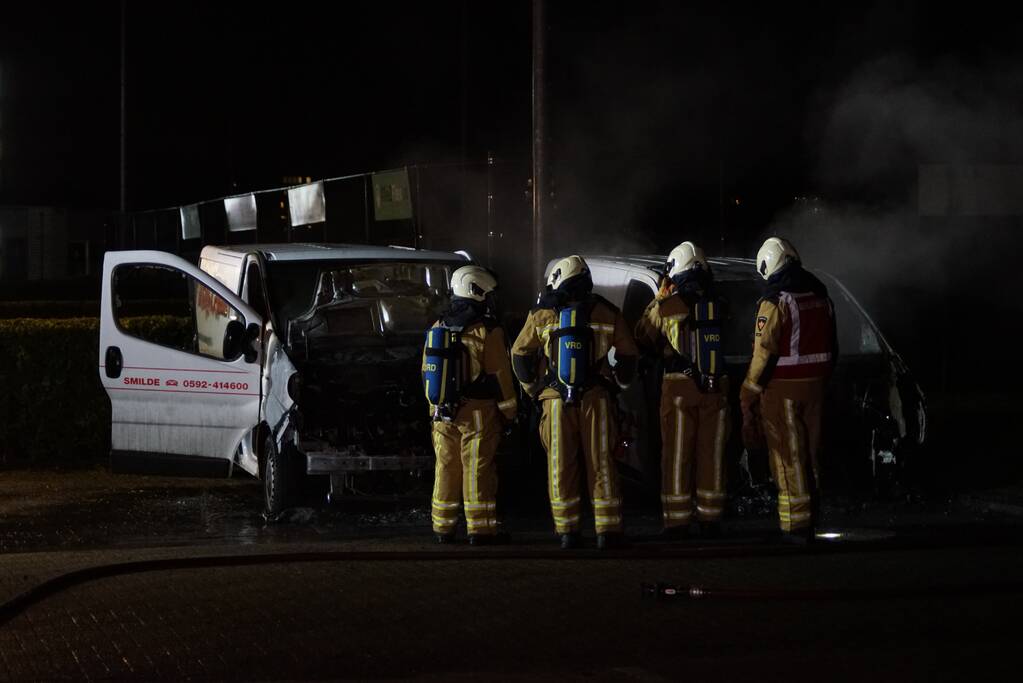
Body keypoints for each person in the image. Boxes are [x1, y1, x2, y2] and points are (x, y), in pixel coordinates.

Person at [510, 255, 639, 549]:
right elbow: (629, 354)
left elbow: (519, 355)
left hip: (555, 402)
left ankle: (567, 530)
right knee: (601, 463)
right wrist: (618, 384)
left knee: (560, 465)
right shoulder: (607, 312)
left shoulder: (542, 315)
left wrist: (533, 390)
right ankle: (608, 530)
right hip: (597, 400)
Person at [739, 237, 838, 544]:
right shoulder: (821, 294)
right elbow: (833, 346)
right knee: (811, 454)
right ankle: (813, 519)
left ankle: (795, 526)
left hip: (782, 390)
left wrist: (748, 391)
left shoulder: (775, 301)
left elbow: (763, 352)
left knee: (787, 456)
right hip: (817, 388)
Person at [635, 242, 730, 539]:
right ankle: (710, 520)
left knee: (677, 455)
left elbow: (642, 336)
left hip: (678, 387)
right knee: (711, 453)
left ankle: (677, 522)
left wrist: (659, 298)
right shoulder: (722, 304)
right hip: (717, 386)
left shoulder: (668, 306)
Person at [423, 265, 518, 545]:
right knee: (477, 468)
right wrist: (510, 413)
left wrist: (436, 408)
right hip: (478, 413)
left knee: (446, 467)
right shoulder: (487, 331)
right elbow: (501, 376)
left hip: (441, 413)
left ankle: (443, 527)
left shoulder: (437, 326)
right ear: (477, 291)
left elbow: (426, 372)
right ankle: (481, 530)